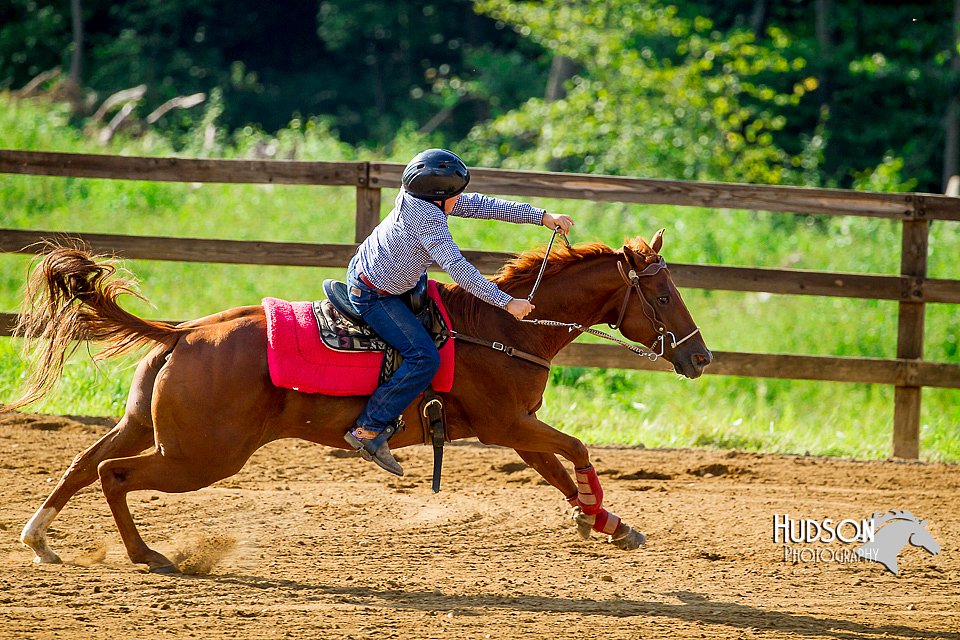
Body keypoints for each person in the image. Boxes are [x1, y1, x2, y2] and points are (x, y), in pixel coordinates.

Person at [343, 148, 574, 476]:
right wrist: (507, 302)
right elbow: (458, 268)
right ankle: (368, 429)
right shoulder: (429, 222)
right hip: (376, 295)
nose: (462, 198)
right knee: (424, 357)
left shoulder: (420, 197)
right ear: (440, 197)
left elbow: (485, 205)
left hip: (379, 272)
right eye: (456, 193)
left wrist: (541, 216)